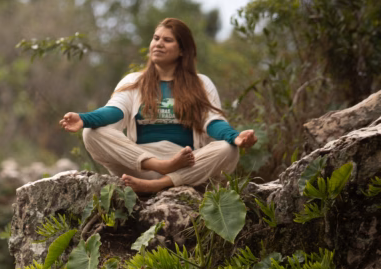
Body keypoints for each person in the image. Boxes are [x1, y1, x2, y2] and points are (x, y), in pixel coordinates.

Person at [59, 18, 257, 193]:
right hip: (141, 165)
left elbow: (212, 121)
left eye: (167, 40)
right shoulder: (134, 81)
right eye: (156, 38)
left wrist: (234, 137)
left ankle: (160, 185)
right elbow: (114, 111)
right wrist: (84, 119)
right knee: (91, 133)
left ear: (182, 50)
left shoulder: (201, 83)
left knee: (228, 149)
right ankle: (162, 169)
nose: (158, 44)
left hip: (186, 164)